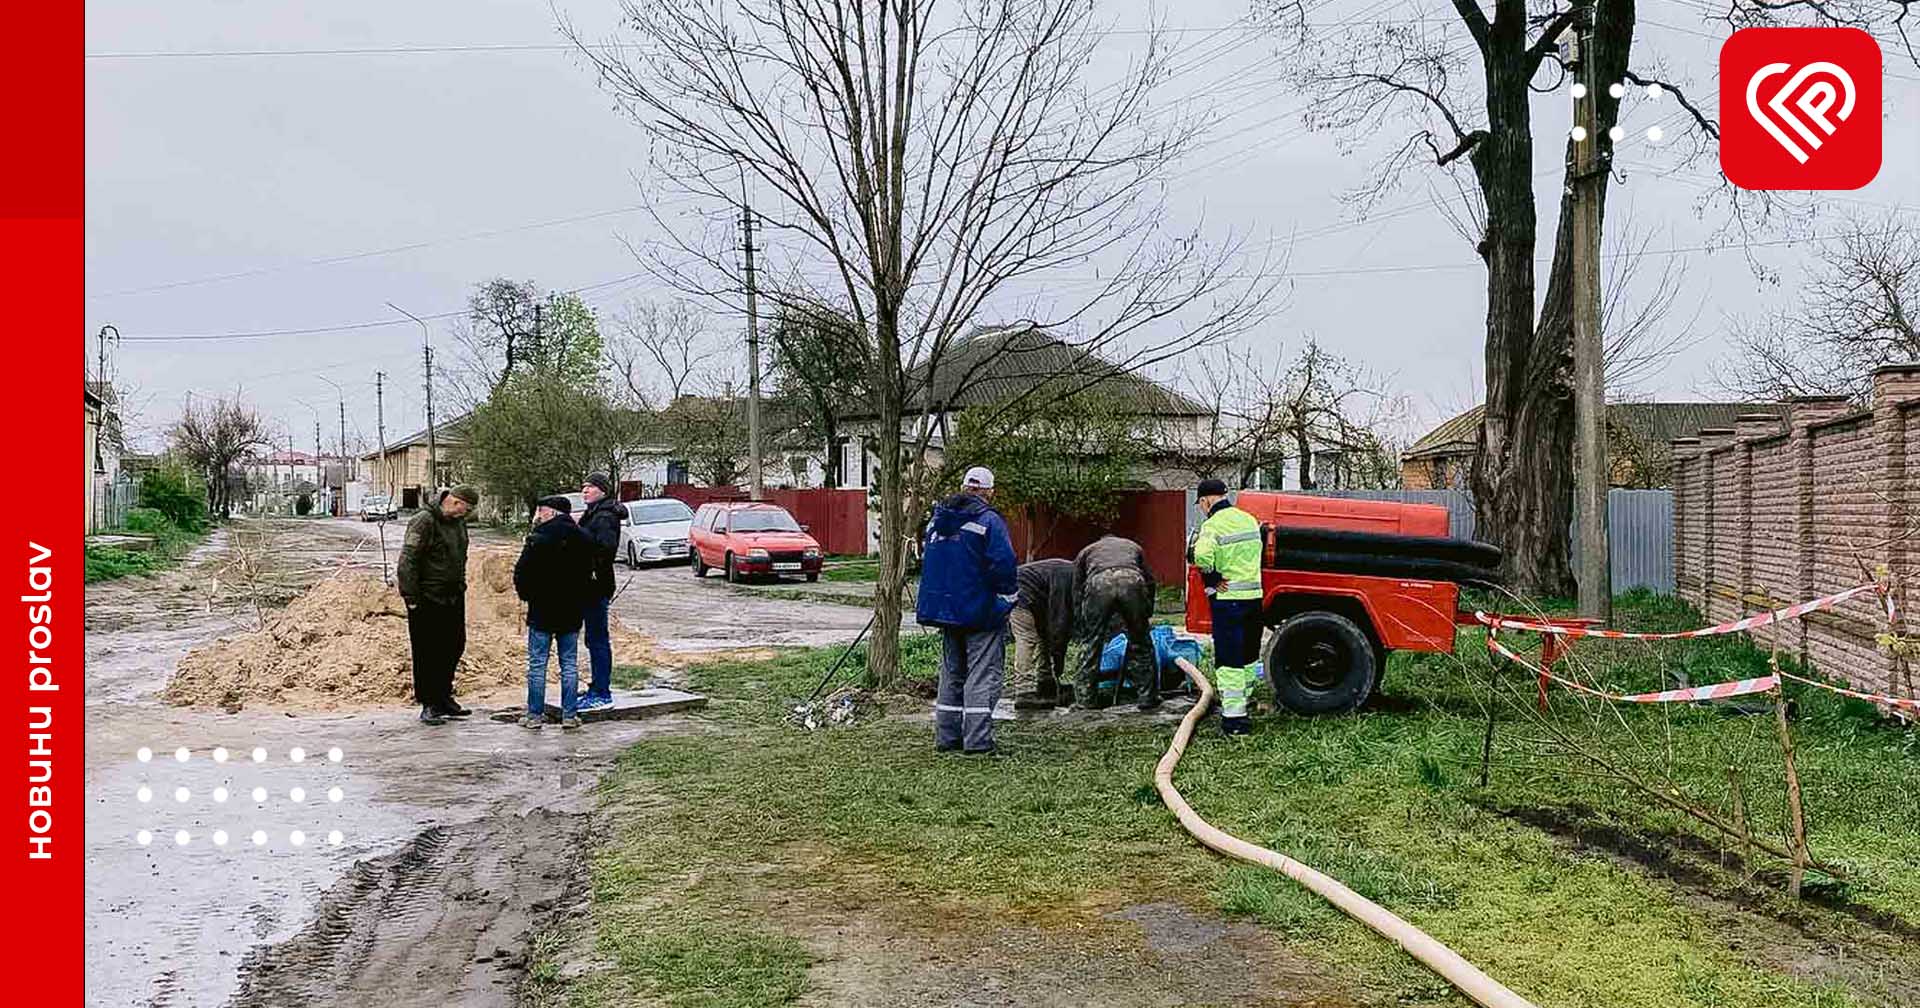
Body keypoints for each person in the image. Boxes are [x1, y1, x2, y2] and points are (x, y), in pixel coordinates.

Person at [915, 466, 1018, 754]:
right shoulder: (989, 521)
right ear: (988, 491)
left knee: (952, 674)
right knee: (982, 674)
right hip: (980, 611)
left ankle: (947, 738)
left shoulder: (937, 520)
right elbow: (1004, 563)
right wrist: (1008, 599)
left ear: (963, 487)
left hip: (945, 612)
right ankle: (978, 742)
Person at [398, 485, 479, 725]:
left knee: (454, 645)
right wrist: (410, 597)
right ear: (455, 502)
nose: (467, 514)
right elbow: (408, 560)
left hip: (453, 596)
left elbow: (460, 557)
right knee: (427, 651)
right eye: (466, 508)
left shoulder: (458, 523)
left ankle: (444, 697)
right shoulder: (424, 521)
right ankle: (429, 703)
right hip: (427, 598)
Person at [514, 495, 595, 730]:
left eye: (542, 510)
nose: (539, 514)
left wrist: (528, 595)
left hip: (542, 610)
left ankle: (534, 716)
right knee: (569, 664)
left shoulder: (538, 537)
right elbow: (590, 574)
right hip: (571, 610)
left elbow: (521, 573)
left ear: (552, 512)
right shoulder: (583, 538)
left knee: (538, 664)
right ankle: (569, 716)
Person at [1191, 478, 1264, 735]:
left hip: (1228, 601)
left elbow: (1200, 556)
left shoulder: (1212, 525)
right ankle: (1244, 703)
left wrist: (1212, 579)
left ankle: (1234, 720)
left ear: (1207, 500)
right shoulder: (1249, 520)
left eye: (1200, 504)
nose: (1201, 508)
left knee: (1229, 659)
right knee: (1248, 656)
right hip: (1254, 598)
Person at [1071, 534, 1160, 711]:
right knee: (1141, 641)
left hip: (1099, 582)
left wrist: (1081, 619)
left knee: (1091, 644)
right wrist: (1146, 611)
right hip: (1132, 580)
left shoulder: (1087, 551)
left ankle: (1085, 700)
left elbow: (1077, 588)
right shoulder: (1133, 545)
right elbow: (1150, 580)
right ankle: (1147, 697)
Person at [577, 473, 629, 710]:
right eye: (583, 487)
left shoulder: (605, 516)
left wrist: (587, 564)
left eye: (590, 487)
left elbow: (605, 550)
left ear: (602, 490)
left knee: (597, 639)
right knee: (592, 639)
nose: (584, 491)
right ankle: (596, 686)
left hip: (596, 585)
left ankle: (602, 692)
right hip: (588, 584)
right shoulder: (593, 513)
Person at [1010, 558, 1075, 710]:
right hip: (1020, 597)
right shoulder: (1068, 575)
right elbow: (1060, 619)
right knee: (1027, 639)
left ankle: (1045, 680)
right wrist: (1059, 664)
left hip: (1035, 599)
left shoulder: (1067, 571)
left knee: (1044, 636)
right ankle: (1024, 690)